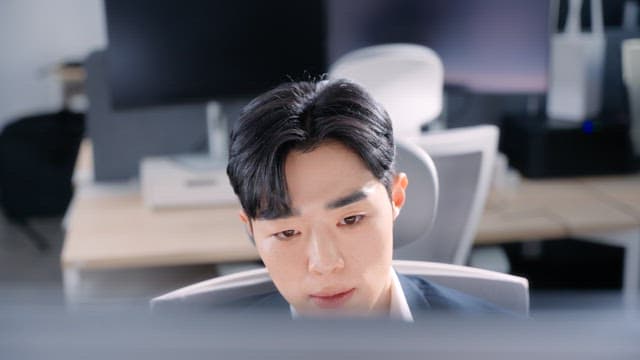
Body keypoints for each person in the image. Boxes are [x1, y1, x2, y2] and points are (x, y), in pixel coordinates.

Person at [222, 79, 505, 321]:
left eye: (351, 219)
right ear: (250, 229)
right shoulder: (214, 350)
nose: (324, 263)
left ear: (396, 197)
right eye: (287, 232)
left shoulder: (500, 342)